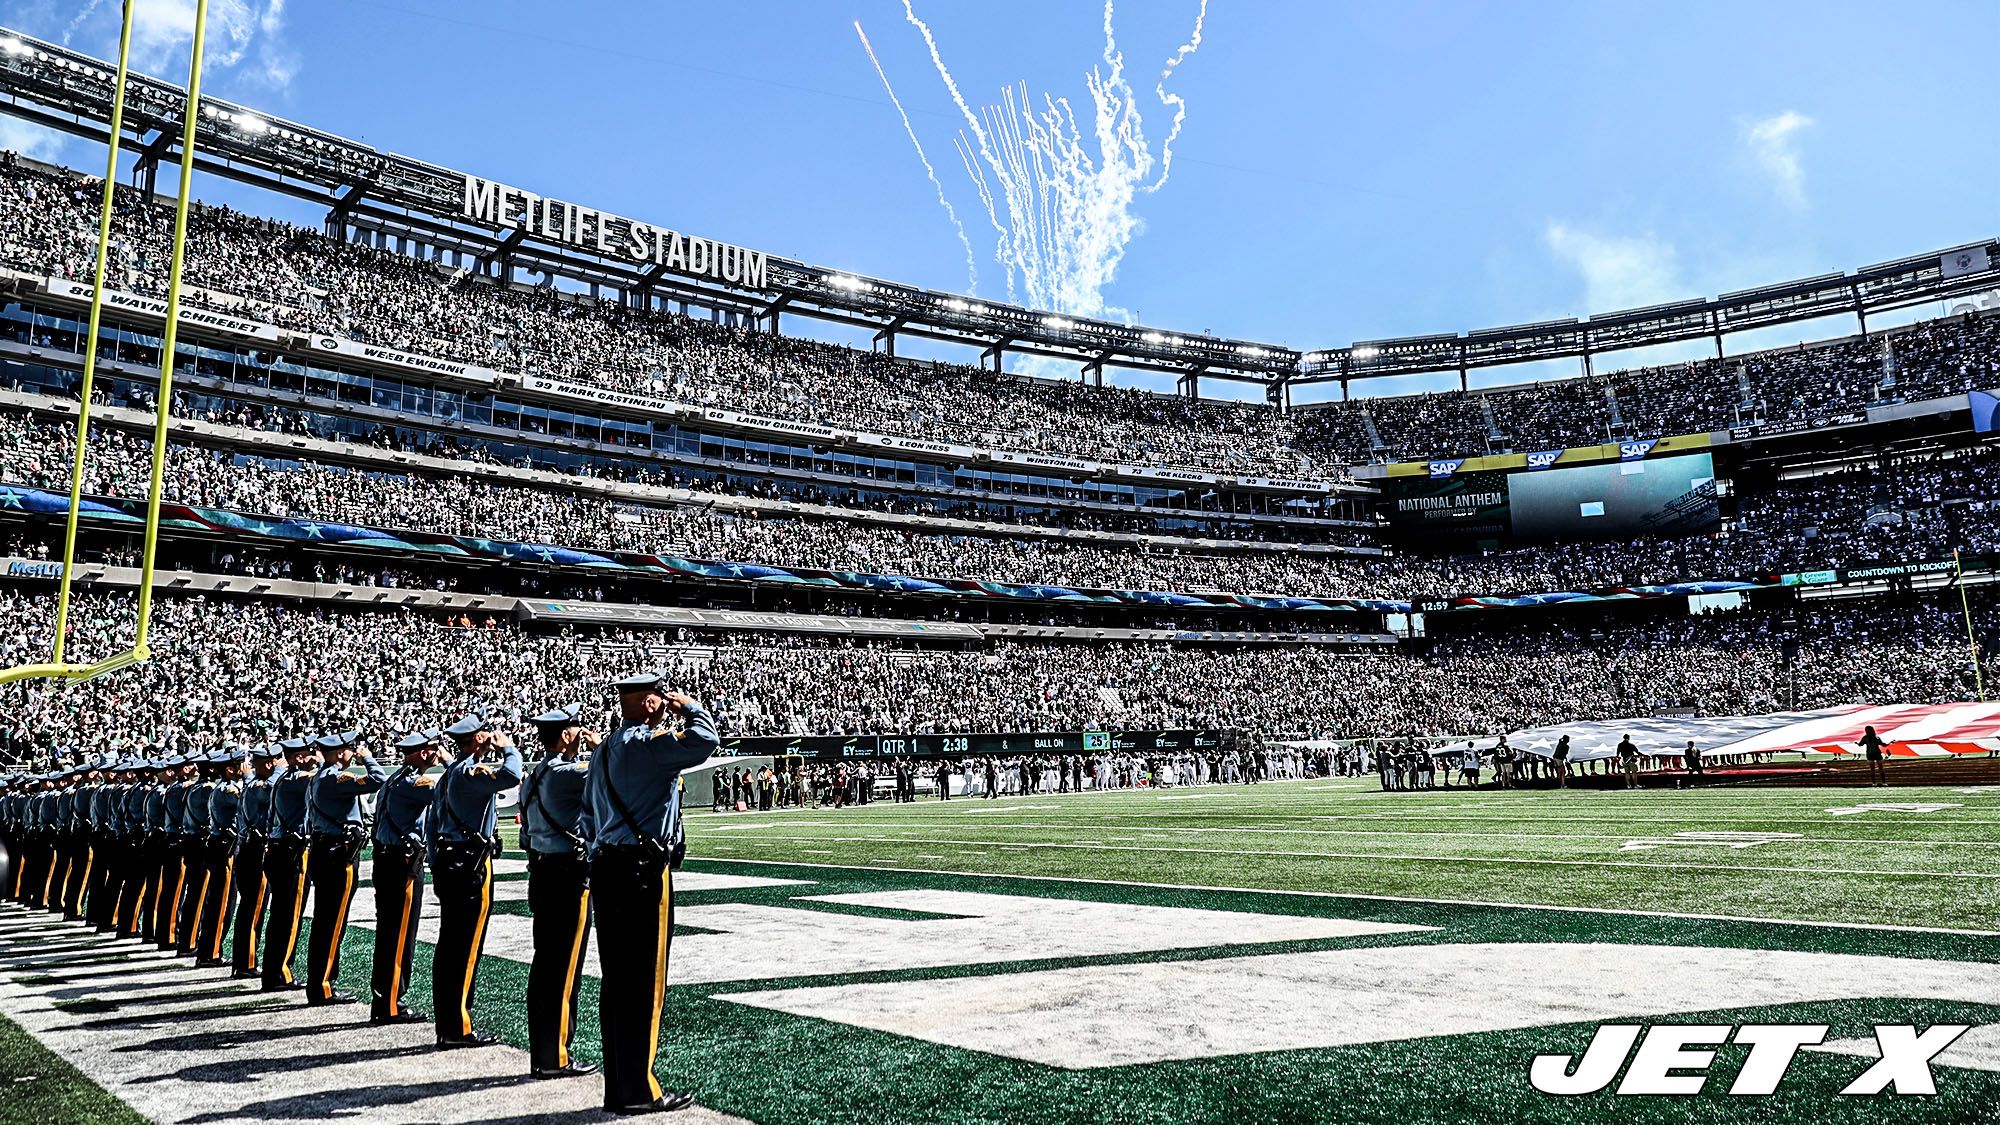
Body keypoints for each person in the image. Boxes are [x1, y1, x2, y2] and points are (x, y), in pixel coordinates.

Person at [578, 671, 718, 1116]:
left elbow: (585, 816)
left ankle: (618, 1085)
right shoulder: (646, 746)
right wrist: (690, 706)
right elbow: (705, 739)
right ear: (653, 703)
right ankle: (639, 1088)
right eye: (661, 695)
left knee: (616, 981)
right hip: (640, 870)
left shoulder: (603, 750)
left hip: (606, 865)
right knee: (643, 982)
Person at [428, 713, 523, 1049]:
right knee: (464, 948)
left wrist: (434, 861)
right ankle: (457, 1027)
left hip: (450, 862)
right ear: (478, 738)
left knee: (450, 944)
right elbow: (512, 775)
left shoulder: (451, 773)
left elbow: (431, 824)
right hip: (469, 865)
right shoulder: (470, 771)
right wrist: (510, 748)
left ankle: (448, 1023)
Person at [520, 703, 600, 1079]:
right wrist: (599, 746)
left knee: (546, 961)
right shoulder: (567, 774)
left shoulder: (533, 774)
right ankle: (555, 1056)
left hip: (542, 869)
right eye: (576, 728)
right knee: (564, 965)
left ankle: (544, 1051)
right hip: (567, 872)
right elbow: (610, 772)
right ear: (566, 734)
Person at [304, 729, 385, 1005]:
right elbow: (378, 780)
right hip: (336, 854)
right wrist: (369, 759)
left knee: (325, 920)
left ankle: (319, 983)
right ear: (340, 752)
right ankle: (322, 985)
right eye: (351, 748)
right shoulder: (336, 777)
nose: (354, 752)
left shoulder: (319, 778)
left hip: (325, 850)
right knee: (332, 921)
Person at [370, 728, 440, 1026]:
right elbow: (455, 787)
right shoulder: (414, 782)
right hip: (402, 863)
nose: (438, 753)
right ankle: (390, 1004)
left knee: (389, 932)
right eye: (435, 748)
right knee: (400, 934)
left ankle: (383, 1000)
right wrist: (454, 760)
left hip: (388, 860)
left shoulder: (395, 779)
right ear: (423, 752)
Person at [261, 737, 318, 992]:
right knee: (289, 915)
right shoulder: (297, 779)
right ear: (298, 757)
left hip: (278, 849)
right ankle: (280, 972)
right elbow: (322, 779)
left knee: (281, 914)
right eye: (309, 753)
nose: (313, 756)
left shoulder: (282, 778)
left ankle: (273, 970)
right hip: (290, 851)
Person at [229, 744, 281, 980]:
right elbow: (275, 788)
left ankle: (243, 961)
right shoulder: (261, 786)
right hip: (255, 851)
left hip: (248, 850)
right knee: (254, 907)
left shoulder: (251, 782)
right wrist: (281, 770)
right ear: (269, 763)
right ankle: (245, 962)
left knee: (250, 906)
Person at [195, 747, 248, 968]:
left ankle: (210, 950)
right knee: (221, 903)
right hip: (225, 849)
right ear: (230, 769)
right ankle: (209, 952)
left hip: (224, 847)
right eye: (241, 765)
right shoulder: (228, 790)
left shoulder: (224, 788)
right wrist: (250, 777)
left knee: (224, 901)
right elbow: (248, 800)